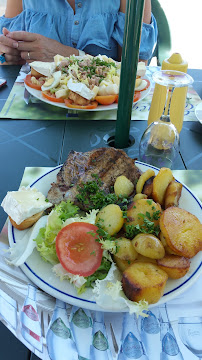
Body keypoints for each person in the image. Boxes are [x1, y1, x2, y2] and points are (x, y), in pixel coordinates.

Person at [0, 0, 157, 65]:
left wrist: (70, 57)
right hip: (37, 109)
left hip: (105, 113)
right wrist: (10, 55)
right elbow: (6, 59)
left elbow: (134, 76)